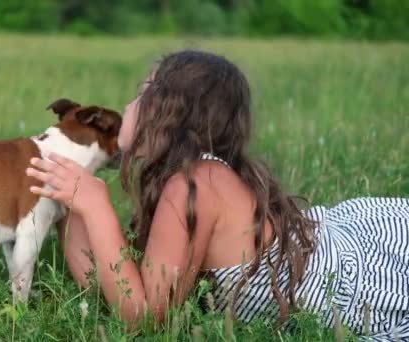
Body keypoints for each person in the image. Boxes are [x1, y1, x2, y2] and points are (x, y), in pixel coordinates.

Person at [25, 49, 409, 340]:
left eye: (140, 95)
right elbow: (108, 288)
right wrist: (73, 205)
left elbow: (143, 321)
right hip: (340, 235)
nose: (127, 107)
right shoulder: (187, 181)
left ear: (167, 114)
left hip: (369, 269)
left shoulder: (197, 184)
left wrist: (98, 208)